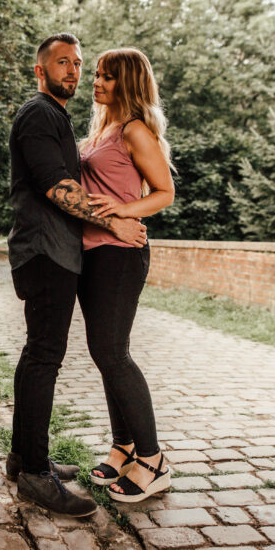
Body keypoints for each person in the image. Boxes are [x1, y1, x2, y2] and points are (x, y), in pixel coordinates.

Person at [6, 33, 148, 517]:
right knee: (44, 357)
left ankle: (25, 458)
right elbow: (58, 188)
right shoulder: (39, 113)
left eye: (78, 63)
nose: (73, 70)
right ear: (40, 70)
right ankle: (34, 475)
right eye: (62, 62)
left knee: (37, 353)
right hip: (45, 250)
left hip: (55, 251)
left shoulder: (56, 116)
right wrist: (116, 222)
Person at [80, 48, 175, 502]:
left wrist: (122, 209)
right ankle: (124, 447)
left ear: (129, 83)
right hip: (92, 253)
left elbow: (164, 192)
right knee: (105, 353)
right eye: (97, 74)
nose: (96, 82)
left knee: (113, 353)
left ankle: (153, 461)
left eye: (107, 76)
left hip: (120, 253)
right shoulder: (102, 130)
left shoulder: (135, 130)